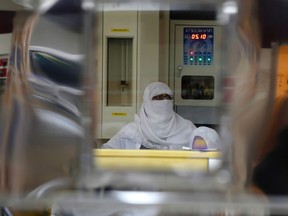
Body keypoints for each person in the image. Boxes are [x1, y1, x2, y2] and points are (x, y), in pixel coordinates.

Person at [102, 82, 197, 150]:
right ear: (146, 102)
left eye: (168, 97)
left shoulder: (187, 128)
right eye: (158, 97)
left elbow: (202, 156)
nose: (165, 101)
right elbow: (106, 153)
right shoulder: (131, 132)